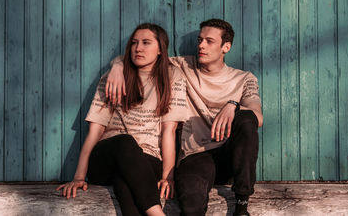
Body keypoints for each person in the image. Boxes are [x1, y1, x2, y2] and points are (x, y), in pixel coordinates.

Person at [106, 19, 263, 216]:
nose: (201, 45)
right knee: (190, 203)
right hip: (196, 155)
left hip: (229, 155)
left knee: (247, 118)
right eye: (199, 40)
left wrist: (234, 105)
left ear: (226, 47)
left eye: (209, 41)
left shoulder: (244, 78)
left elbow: (257, 116)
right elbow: (146, 56)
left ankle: (241, 205)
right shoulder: (182, 66)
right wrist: (117, 66)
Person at [56, 23, 187, 216]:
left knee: (124, 181)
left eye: (146, 43)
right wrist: (79, 176)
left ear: (160, 49)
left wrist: (169, 175)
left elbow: (169, 130)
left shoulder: (172, 76)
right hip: (106, 159)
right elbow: (95, 131)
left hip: (147, 159)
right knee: (125, 142)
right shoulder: (114, 78)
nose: (138, 48)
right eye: (134, 43)